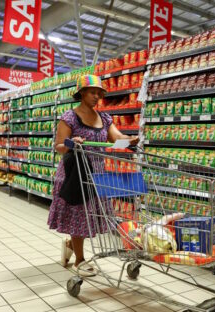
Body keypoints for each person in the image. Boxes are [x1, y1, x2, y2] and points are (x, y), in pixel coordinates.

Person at [47, 74, 138, 276]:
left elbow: (117, 139)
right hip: (75, 173)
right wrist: (72, 144)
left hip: (96, 173)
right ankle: (79, 259)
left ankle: (71, 244)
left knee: (90, 216)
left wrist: (129, 141)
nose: (97, 96)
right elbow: (59, 147)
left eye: (100, 93)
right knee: (79, 215)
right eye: (93, 92)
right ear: (81, 93)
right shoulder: (69, 117)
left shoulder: (105, 119)